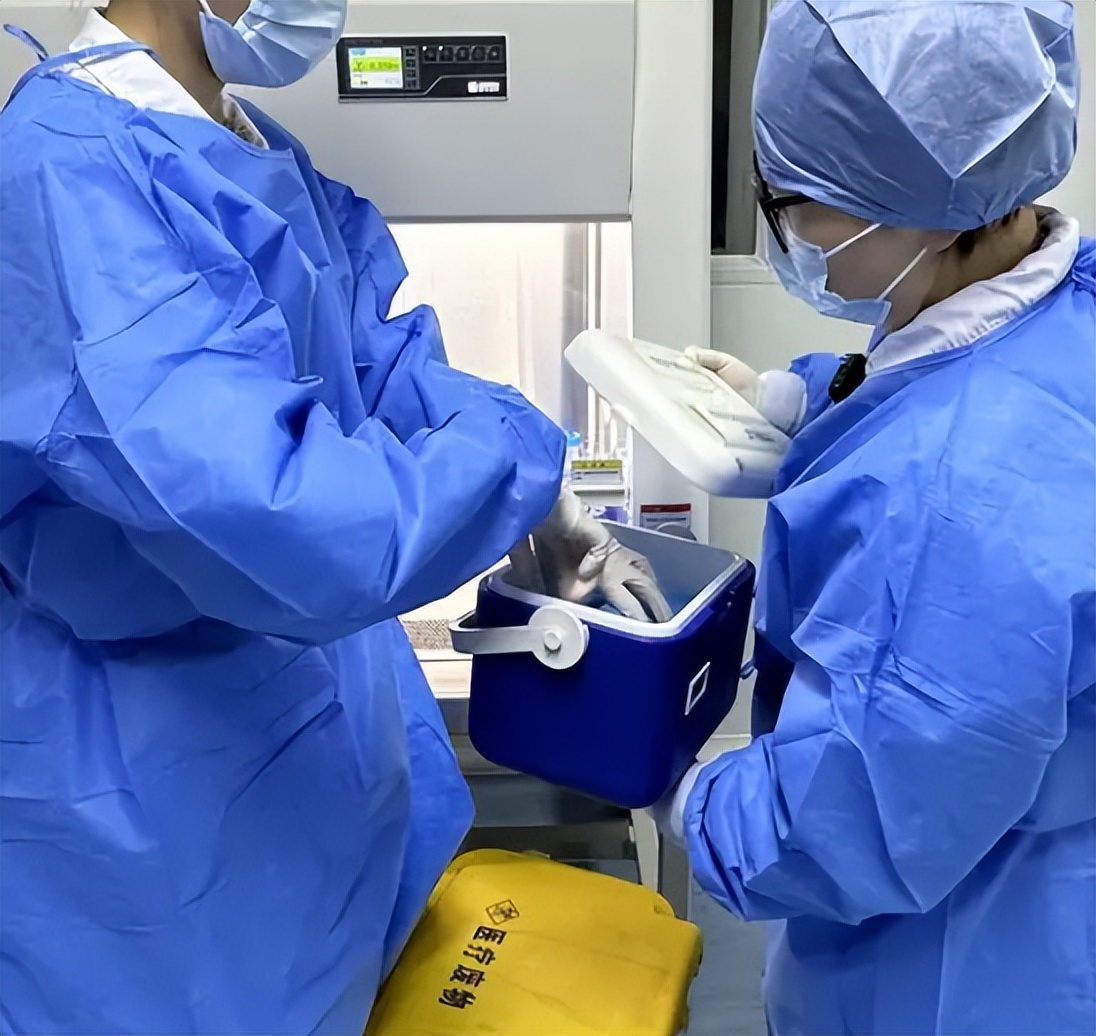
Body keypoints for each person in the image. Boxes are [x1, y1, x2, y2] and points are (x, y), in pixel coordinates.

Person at [0, 1, 668, 1031]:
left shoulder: (240, 141)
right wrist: (517, 465)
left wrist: (541, 488)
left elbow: (375, 362)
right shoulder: (67, 171)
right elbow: (281, 511)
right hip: (152, 799)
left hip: (310, 748)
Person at [656, 1, 1095, 1033]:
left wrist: (683, 792)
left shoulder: (954, 503)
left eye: (793, 201)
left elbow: (862, 815)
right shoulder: (1061, 288)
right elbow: (960, 373)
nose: (790, 234)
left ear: (912, 209)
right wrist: (803, 399)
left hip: (969, 967)